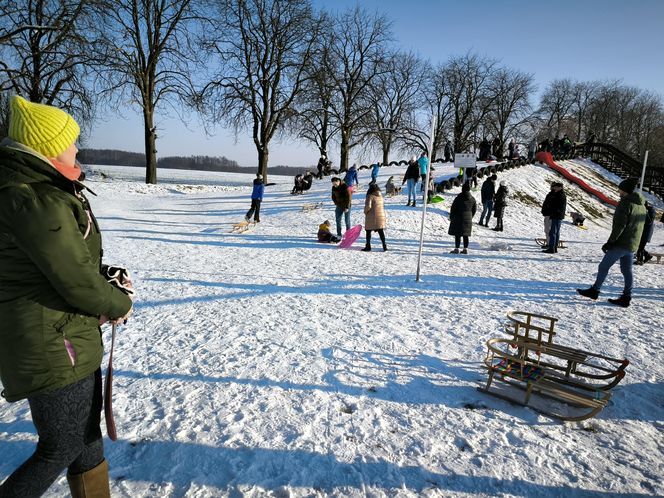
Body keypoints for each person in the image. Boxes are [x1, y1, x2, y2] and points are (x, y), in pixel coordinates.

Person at [0, 95, 134, 497]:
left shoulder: (41, 189)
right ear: (46, 146)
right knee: (59, 447)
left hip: (65, 335)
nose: (77, 148)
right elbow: (74, 281)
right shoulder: (35, 197)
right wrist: (120, 303)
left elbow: (65, 261)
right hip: (51, 344)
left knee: (85, 437)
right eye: (71, 140)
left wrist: (105, 274)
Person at [577, 178, 646, 307]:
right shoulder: (641, 205)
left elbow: (619, 226)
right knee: (627, 271)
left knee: (603, 266)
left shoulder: (625, 203)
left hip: (621, 243)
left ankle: (595, 290)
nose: (618, 190)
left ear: (624, 190)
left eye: (620, 188)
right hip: (632, 244)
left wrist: (610, 242)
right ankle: (626, 297)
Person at [448, 182, 477, 254]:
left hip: (458, 217)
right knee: (465, 234)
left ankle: (457, 249)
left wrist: (452, 217)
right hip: (468, 218)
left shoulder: (458, 198)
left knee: (457, 234)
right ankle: (465, 249)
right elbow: (474, 209)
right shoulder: (472, 199)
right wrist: (470, 216)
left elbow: (453, 208)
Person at [540, 182, 566, 253]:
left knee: (553, 232)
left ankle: (552, 248)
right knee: (555, 232)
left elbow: (556, 206)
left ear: (560, 187)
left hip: (556, 215)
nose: (555, 188)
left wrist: (551, 210)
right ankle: (554, 248)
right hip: (557, 215)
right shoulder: (560, 194)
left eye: (556, 187)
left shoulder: (559, 195)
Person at [362, 183, 387, 252]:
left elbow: (368, 206)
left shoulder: (370, 196)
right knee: (381, 231)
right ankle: (384, 246)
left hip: (371, 216)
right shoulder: (380, 197)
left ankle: (368, 246)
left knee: (368, 231)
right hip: (380, 216)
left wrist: (365, 212)